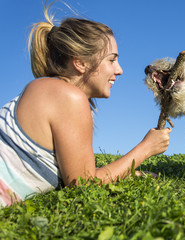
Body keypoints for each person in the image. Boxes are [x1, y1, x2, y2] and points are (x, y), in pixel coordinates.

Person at [0, 3, 171, 207]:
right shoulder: (67, 97)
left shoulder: (48, 90)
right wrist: (146, 148)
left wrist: (126, 174)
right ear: (80, 62)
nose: (119, 70)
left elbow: (73, 176)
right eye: (111, 60)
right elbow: (83, 185)